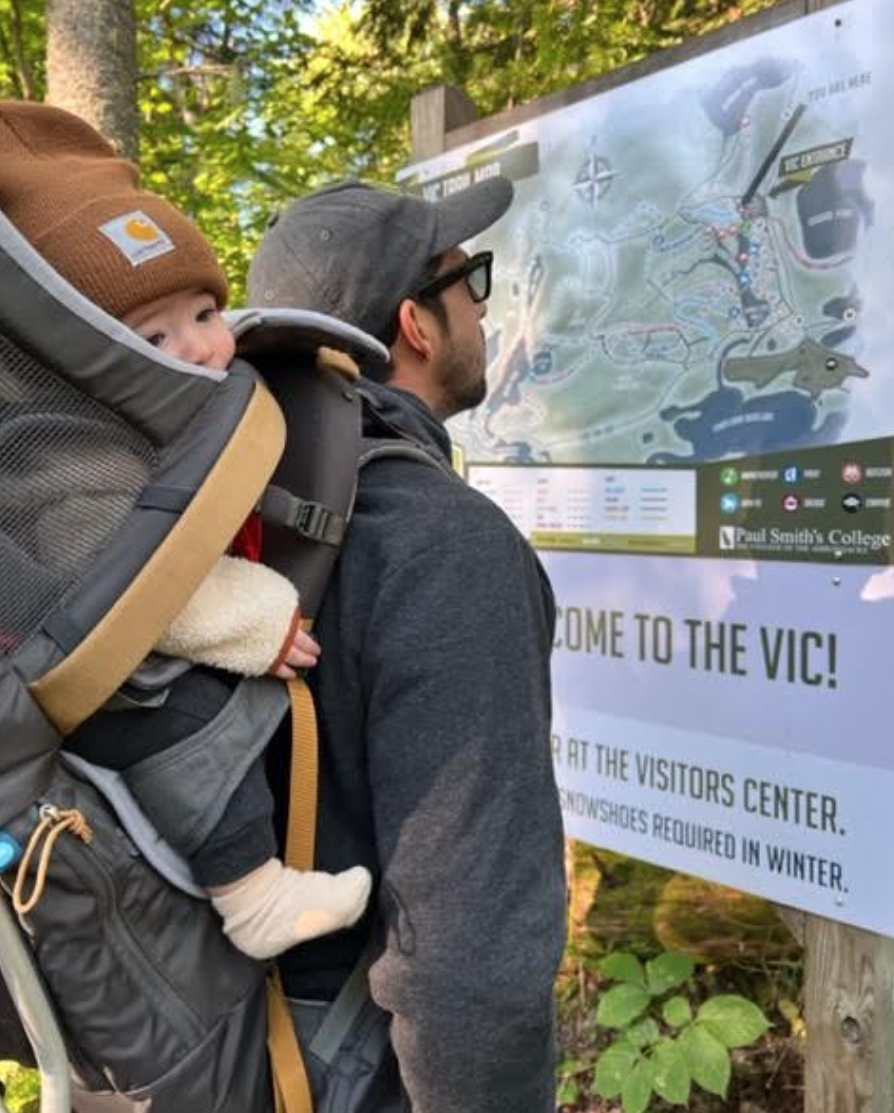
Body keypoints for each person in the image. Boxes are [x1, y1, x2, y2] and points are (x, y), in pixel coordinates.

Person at [0, 99, 371, 959]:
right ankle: (252, 897)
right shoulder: (60, 444)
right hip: (90, 671)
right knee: (188, 716)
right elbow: (132, 579)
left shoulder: (159, 418)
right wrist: (259, 620)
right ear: (84, 364)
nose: (202, 350)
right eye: (154, 337)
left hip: (103, 641)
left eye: (206, 315)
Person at [249, 178, 567, 1112]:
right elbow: (470, 959)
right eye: (467, 279)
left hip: (215, 1047)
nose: (478, 303)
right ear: (415, 326)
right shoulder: (445, 545)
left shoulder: (218, 511)